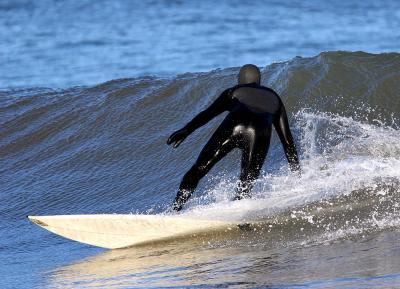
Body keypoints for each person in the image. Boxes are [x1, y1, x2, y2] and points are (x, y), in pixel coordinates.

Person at [167, 64, 300, 211]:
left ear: (240, 79)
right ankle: (240, 220)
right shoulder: (275, 98)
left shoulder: (234, 91)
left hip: (234, 126)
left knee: (198, 170)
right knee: (246, 185)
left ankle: (175, 210)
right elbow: (287, 142)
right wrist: (297, 173)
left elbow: (207, 114)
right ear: (259, 80)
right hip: (259, 134)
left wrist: (186, 130)